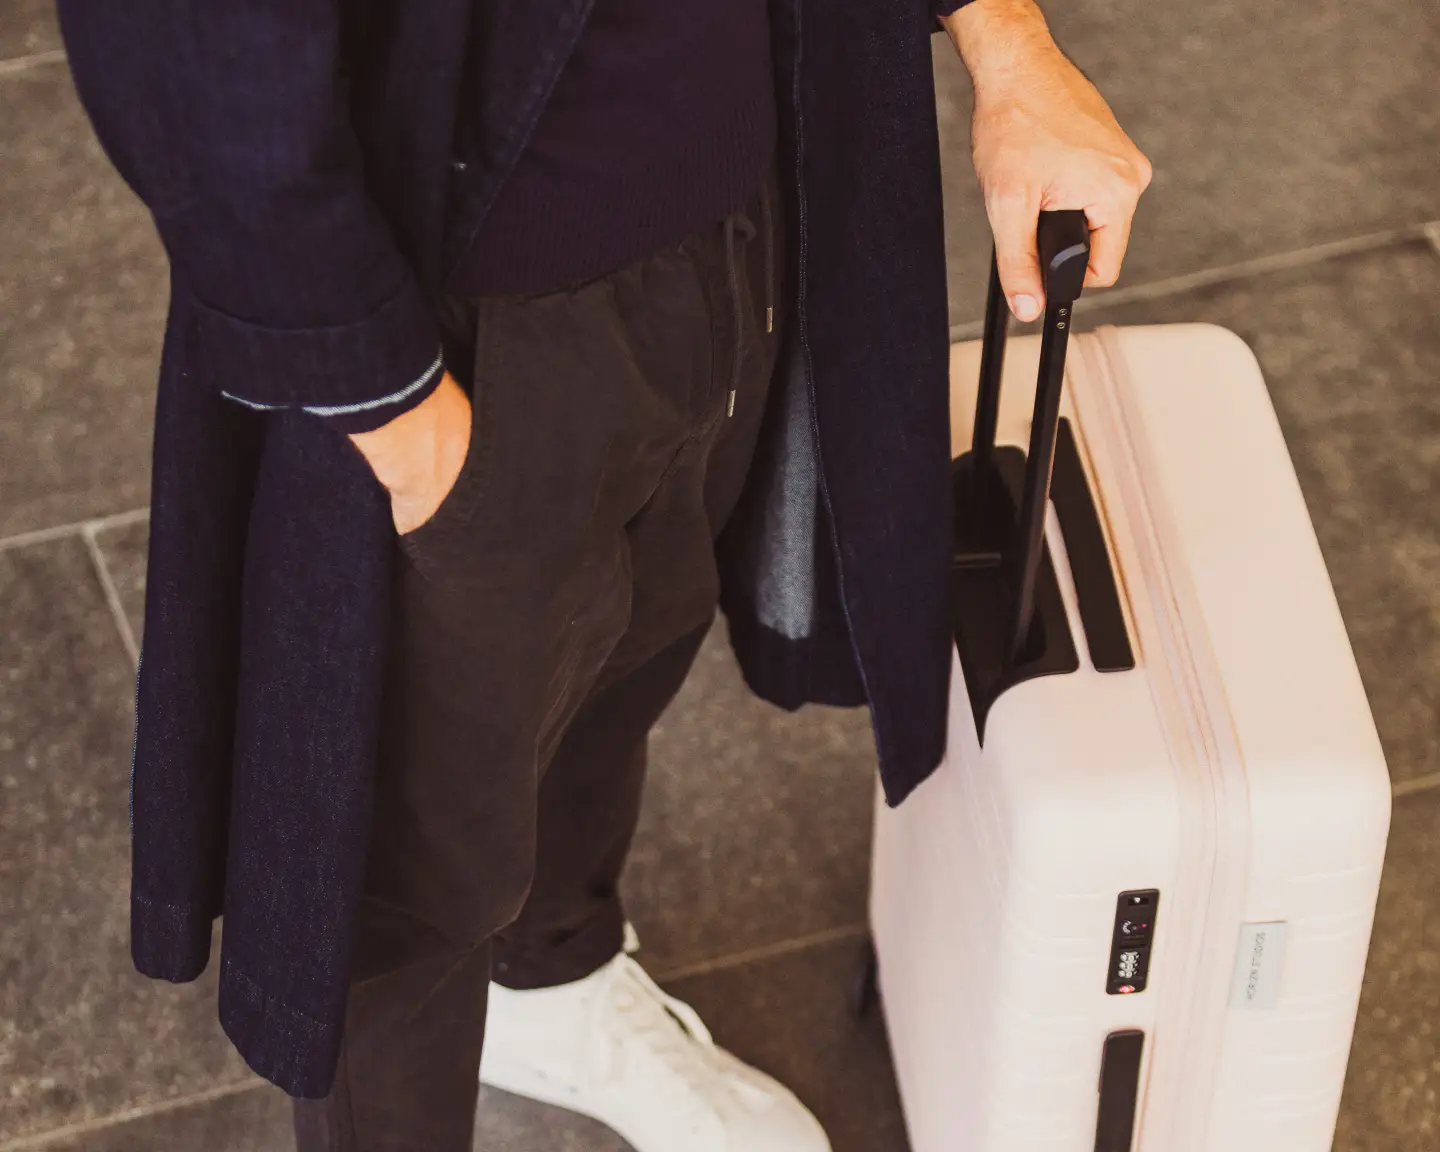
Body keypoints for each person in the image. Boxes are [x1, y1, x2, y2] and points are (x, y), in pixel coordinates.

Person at [56, 0, 1149, 1148]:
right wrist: (381, 398)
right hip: (460, 313)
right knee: (401, 859)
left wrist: (1008, 42)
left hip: (732, 198)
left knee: (629, 653)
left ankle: (553, 983)